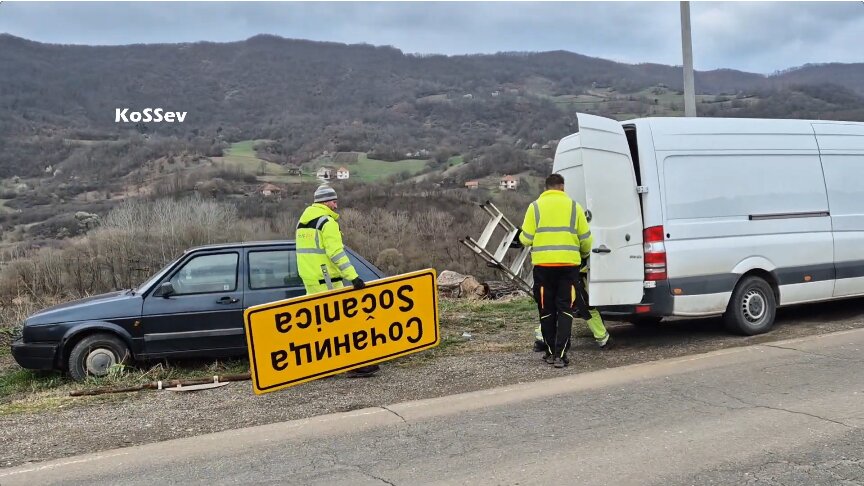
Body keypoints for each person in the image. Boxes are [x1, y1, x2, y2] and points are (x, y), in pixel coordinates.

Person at [514, 173, 611, 368]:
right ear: (562, 188)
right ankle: (561, 355)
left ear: (546, 188)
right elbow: (586, 240)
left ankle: (549, 353)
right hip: (568, 268)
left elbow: (525, 239)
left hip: (543, 269)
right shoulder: (575, 208)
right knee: (565, 310)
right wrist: (581, 253)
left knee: (546, 311)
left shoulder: (535, 207)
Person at [295, 184, 379, 377]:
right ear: (325, 201)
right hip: (328, 279)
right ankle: (354, 365)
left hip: (310, 278)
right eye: (333, 200)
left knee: (320, 324)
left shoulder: (303, 221)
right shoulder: (327, 222)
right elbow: (336, 253)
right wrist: (354, 277)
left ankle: (324, 366)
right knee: (342, 323)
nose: (336, 204)